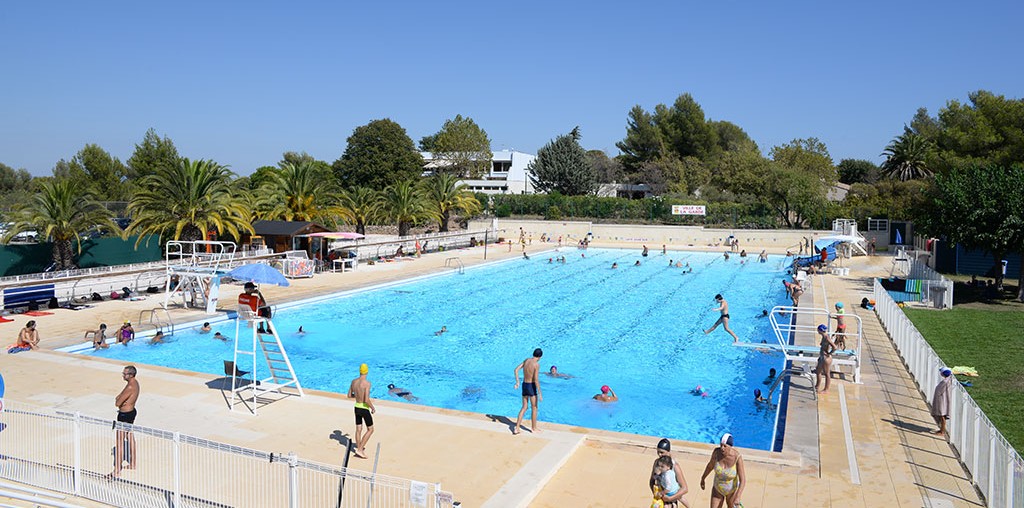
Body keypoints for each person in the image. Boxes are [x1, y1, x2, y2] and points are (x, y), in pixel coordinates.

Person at [699, 433, 746, 508]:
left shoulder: (737, 457)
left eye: (725, 446)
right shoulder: (716, 453)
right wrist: (703, 478)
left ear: (730, 446)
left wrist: (738, 496)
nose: (722, 448)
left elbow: (743, 480)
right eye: (721, 445)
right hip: (717, 489)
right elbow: (710, 466)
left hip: (731, 491)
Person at [113, 365, 140, 477]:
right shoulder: (135, 383)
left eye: (124, 374)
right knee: (130, 436)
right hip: (131, 412)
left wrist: (119, 400)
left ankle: (117, 470)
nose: (123, 375)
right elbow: (120, 397)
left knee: (119, 441)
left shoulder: (129, 387)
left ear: (131, 375)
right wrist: (120, 398)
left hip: (124, 415)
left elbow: (117, 402)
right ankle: (133, 463)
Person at [650, 438, 690, 507]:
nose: (659, 455)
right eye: (658, 452)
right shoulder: (657, 462)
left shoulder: (675, 466)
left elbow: (684, 488)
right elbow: (651, 481)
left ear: (668, 452)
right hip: (661, 496)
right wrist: (656, 494)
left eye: (662, 452)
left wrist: (670, 498)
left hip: (671, 497)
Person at [348, 363, 376, 458]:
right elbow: (366, 400)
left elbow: (349, 395)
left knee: (358, 429)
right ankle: (360, 450)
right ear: (367, 371)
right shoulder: (367, 384)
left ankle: (358, 447)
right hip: (364, 409)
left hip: (356, 407)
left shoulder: (354, 382)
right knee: (370, 430)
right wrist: (372, 407)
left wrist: (357, 396)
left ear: (360, 371)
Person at [513, 348, 543, 434]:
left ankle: (517, 428)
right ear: (540, 356)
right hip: (531, 386)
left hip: (524, 385)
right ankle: (533, 428)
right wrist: (540, 393)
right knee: (534, 407)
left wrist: (517, 382)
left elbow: (516, 370)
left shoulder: (526, 360)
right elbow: (536, 380)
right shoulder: (536, 365)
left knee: (524, 407)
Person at [931, 367, 953, 437]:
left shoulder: (945, 382)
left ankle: (942, 431)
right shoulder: (948, 380)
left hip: (942, 400)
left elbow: (939, 390)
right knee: (942, 415)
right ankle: (941, 429)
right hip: (943, 399)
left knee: (942, 415)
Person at [815, 324, 836, 394]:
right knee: (818, 371)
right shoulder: (824, 336)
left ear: (820, 330)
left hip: (826, 358)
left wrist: (829, 353)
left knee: (827, 374)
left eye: (818, 330)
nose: (817, 331)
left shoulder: (827, 337)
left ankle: (826, 390)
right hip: (822, 356)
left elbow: (834, 347)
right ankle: (817, 386)